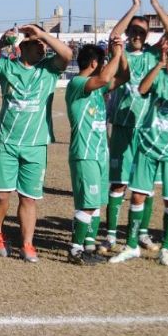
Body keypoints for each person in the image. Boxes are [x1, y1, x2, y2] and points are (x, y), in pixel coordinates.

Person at [109, 38, 168, 266]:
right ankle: (132, 246)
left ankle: (166, 249)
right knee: (138, 195)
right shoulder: (159, 73)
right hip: (148, 144)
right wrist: (160, 65)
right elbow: (142, 89)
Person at [101, 0, 168, 254]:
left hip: (146, 129)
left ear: (147, 35)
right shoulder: (120, 53)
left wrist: (155, 3)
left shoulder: (153, 54)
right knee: (118, 182)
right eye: (133, 30)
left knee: (145, 186)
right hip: (122, 126)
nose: (136, 35)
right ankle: (110, 236)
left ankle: (142, 233)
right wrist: (134, 6)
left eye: (141, 32)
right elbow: (114, 34)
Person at [0, 24, 72, 263]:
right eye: (36, 43)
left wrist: (42, 34)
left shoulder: (49, 69)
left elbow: (67, 54)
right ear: (23, 46)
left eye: (43, 44)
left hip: (36, 145)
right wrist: (1, 43)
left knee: (28, 198)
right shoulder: (7, 67)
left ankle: (27, 244)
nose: (42, 47)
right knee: (1, 196)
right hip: (7, 142)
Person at [65, 39, 124, 265]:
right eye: (103, 62)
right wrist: (116, 55)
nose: (105, 66)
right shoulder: (77, 83)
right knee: (88, 204)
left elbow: (124, 77)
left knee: (96, 203)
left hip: (100, 154)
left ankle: (89, 246)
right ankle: (75, 249)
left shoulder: (98, 89)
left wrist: (122, 53)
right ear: (93, 63)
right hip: (85, 153)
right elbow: (105, 78)